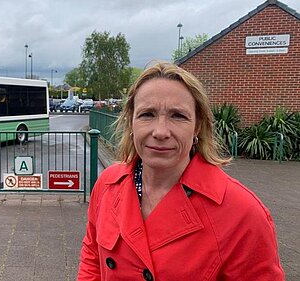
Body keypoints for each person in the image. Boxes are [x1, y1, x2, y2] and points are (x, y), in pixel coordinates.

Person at [77, 61, 284, 280]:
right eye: (147, 114)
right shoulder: (109, 184)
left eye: (178, 116)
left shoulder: (243, 212)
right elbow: (92, 256)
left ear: (197, 127)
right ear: (131, 123)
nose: (160, 131)